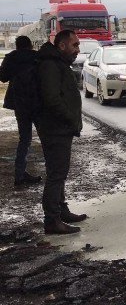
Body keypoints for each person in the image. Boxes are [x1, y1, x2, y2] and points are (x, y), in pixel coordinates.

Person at [36, 30, 87, 234]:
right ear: (62, 46)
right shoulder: (50, 65)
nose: (78, 49)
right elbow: (52, 99)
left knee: (60, 172)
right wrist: (69, 117)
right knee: (56, 174)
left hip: (59, 127)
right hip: (55, 128)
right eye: (74, 45)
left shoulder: (57, 62)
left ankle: (61, 210)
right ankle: (52, 220)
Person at [0, 36, 43, 187]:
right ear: (30, 45)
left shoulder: (11, 58)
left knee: (24, 139)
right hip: (37, 103)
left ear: (17, 46)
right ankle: (52, 173)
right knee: (45, 138)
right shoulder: (37, 57)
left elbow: (3, 77)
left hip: (20, 104)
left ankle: (19, 176)